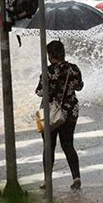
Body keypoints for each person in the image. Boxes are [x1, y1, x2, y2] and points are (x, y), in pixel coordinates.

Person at [36, 40, 84, 190]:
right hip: (70, 111)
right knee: (68, 144)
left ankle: (47, 180)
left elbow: (39, 92)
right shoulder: (74, 69)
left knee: (49, 146)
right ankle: (76, 177)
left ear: (50, 55)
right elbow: (79, 86)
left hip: (51, 113)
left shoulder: (48, 72)